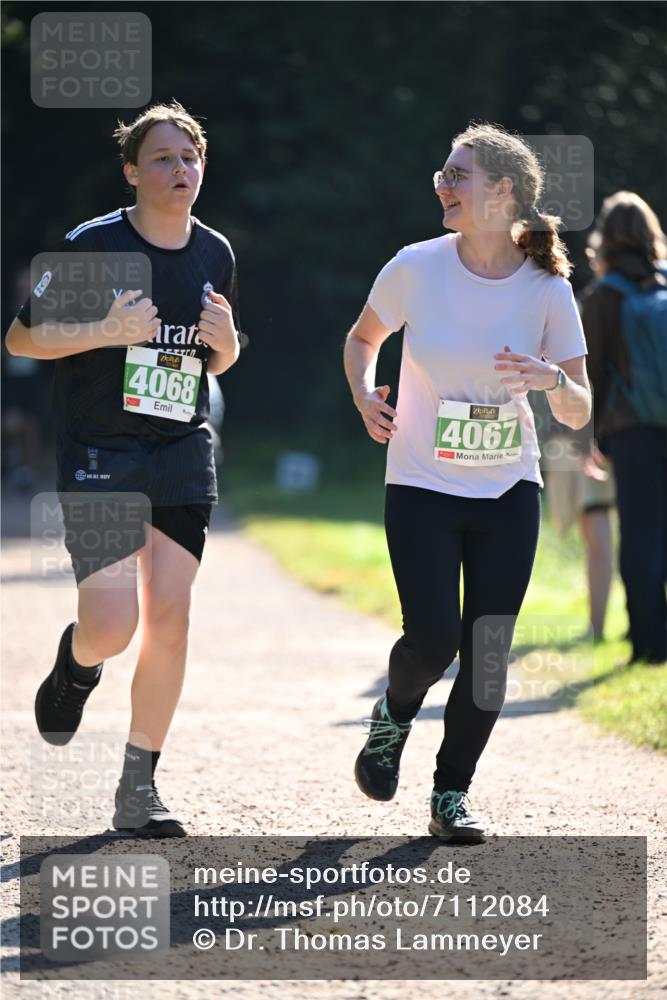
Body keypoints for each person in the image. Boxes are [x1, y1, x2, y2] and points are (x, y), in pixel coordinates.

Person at [344, 122, 591, 842]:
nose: (442, 185)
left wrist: (550, 380)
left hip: (508, 487)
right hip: (420, 482)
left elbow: (578, 408)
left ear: (502, 190)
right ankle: (393, 712)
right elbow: (364, 339)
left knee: (486, 653)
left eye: (458, 175)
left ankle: (450, 795)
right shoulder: (414, 266)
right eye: (442, 174)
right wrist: (364, 392)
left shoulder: (545, 286)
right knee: (431, 640)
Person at [5, 100, 242, 836]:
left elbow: (216, 361)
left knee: (170, 618)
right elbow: (20, 341)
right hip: (102, 448)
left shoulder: (215, 253)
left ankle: (138, 788)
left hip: (179, 449)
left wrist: (230, 343)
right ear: (133, 171)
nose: (181, 170)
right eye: (165, 158)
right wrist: (106, 330)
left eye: (191, 157)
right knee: (112, 625)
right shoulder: (91, 245)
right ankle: (77, 668)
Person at [580, 191, 667, 665]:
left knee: (640, 534)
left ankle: (650, 645)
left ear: (606, 239)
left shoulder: (604, 295)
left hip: (631, 431)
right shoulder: (665, 285)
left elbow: (588, 375)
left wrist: (588, 437)